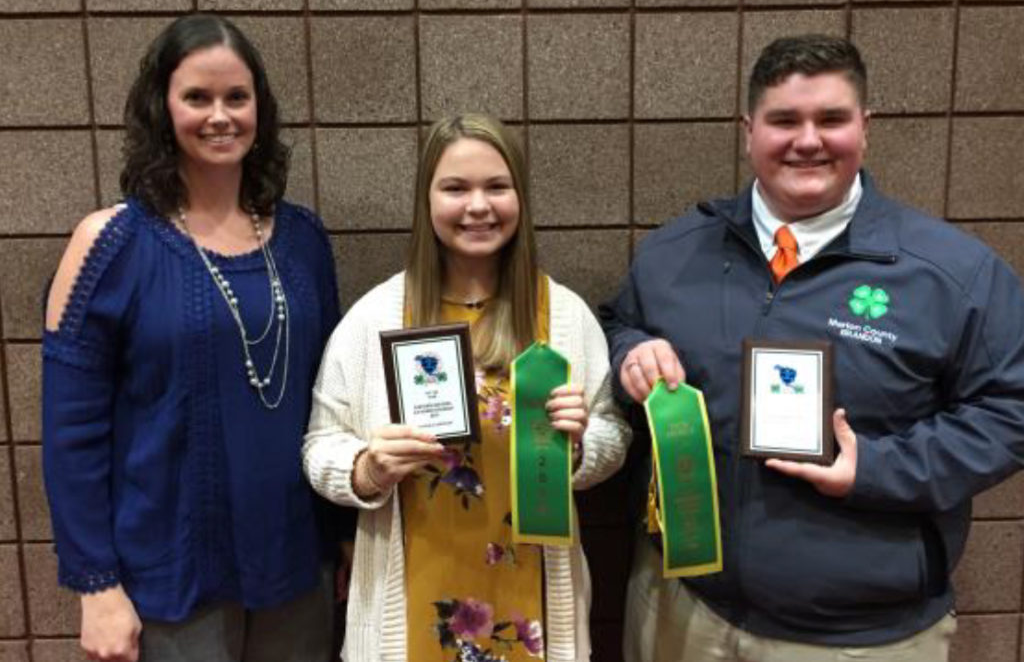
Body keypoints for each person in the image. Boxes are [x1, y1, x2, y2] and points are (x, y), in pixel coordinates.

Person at [601, 35, 1024, 662]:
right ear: (749, 130)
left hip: (859, 637)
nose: (807, 140)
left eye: (831, 119)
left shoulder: (952, 274)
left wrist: (878, 469)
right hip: (682, 610)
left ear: (865, 127)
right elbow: (616, 325)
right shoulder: (674, 252)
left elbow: (1011, 411)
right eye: (784, 120)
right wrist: (631, 351)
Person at [43, 14, 347, 662]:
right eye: (197, 97)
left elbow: (334, 403)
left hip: (297, 570)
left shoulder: (302, 243)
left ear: (260, 109)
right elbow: (72, 435)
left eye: (237, 97)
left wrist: (346, 540)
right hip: (166, 582)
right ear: (162, 107)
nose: (220, 115)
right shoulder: (107, 244)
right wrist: (95, 586)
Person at [303, 113, 632, 662]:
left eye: (496, 187)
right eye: (455, 187)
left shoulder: (564, 316)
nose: (477, 206)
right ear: (426, 201)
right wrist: (367, 469)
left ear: (519, 198)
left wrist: (581, 447)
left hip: (530, 601)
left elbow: (613, 433)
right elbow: (319, 444)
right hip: (409, 606)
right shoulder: (375, 318)